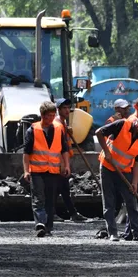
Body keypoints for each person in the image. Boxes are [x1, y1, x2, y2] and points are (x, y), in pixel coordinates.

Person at [96, 111, 138, 242]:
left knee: (131, 201)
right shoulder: (122, 124)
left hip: (124, 170)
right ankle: (112, 232)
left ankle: (137, 232)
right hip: (107, 167)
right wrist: (106, 152)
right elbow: (99, 132)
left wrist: (134, 182)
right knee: (109, 202)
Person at [23, 101, 70, 237]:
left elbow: (64, 150)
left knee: (50, 200)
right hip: (37, 171)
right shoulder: (32, 130)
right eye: (47, 116)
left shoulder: (58, 129)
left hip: (53, 171)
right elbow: (26, 153)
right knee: (38, 198)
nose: (50, 119)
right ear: (42, 115)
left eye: (52, 115)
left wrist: (66, 165)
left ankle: (48, 227)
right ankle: (40, 224)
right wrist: (26, 170)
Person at [55, 98, 89, 223]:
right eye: (64, 108)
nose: (67, 110)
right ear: (58, 109)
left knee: (63, 189)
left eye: (68, 108)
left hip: (63, 161)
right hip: (59, 162)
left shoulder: (62, 123)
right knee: (58, 189)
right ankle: (54, 213)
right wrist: (63, 165)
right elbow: (59, 147)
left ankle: (72, 213)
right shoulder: (58, 124)